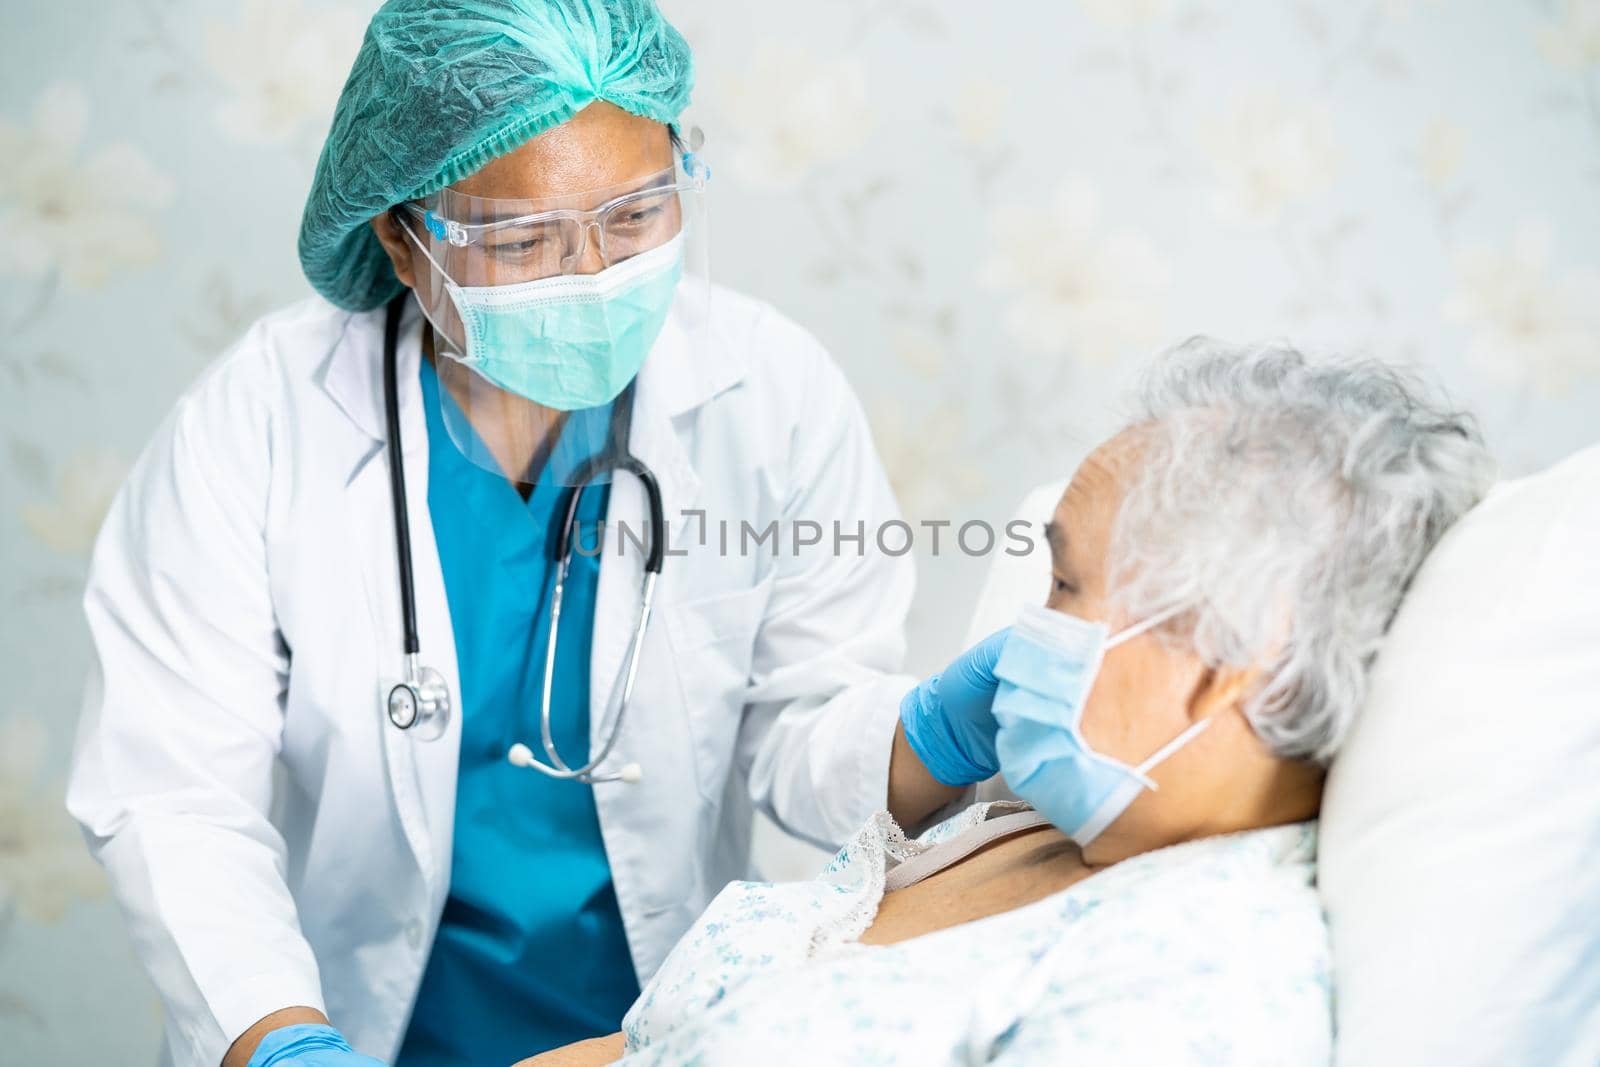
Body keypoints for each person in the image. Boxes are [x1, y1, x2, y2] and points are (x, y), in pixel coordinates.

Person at [64, 2, 975, 1065]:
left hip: (652, 1031)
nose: (591, 274)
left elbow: (801, 735)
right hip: (340, 1022)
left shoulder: (768, 394)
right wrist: (275, 1039)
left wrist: (940, 735)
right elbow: (174, 793)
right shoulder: (257, 423)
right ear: (403, 243)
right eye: (523, 238)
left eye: (635, 216)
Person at [518, 340, 1497, 1065]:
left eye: (1064, 587)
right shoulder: (1021, 825)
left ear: (1225, 655)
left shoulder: (1198, 971)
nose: (1031, 625)